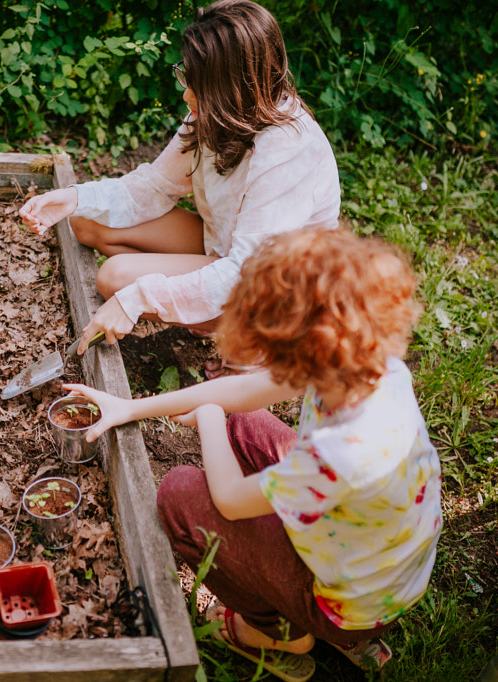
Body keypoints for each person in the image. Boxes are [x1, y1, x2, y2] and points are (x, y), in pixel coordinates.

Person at [63, 228, 442, 681]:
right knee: (244, 422)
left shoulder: (340, 455)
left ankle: (280, 633)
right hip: (371, 558)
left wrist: (207, 418)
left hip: (349, 603)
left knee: (181, 494)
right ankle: (308, 615)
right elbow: (242, 391)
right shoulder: (364, 363)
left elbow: (227, 499)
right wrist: (131, 407)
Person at [19, 0, 340, 376]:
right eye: (187, 75)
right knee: (87, 221)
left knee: (116, 278)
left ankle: (255, 342)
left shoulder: (287, 151)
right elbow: (154, 187)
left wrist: (137, 298)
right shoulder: (217, 111)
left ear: (234, 86)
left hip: (272, 288)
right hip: (224, 244)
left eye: (198, 83)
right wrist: (73, 198)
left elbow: (248, 272)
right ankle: (203, 309)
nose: (187, 93)